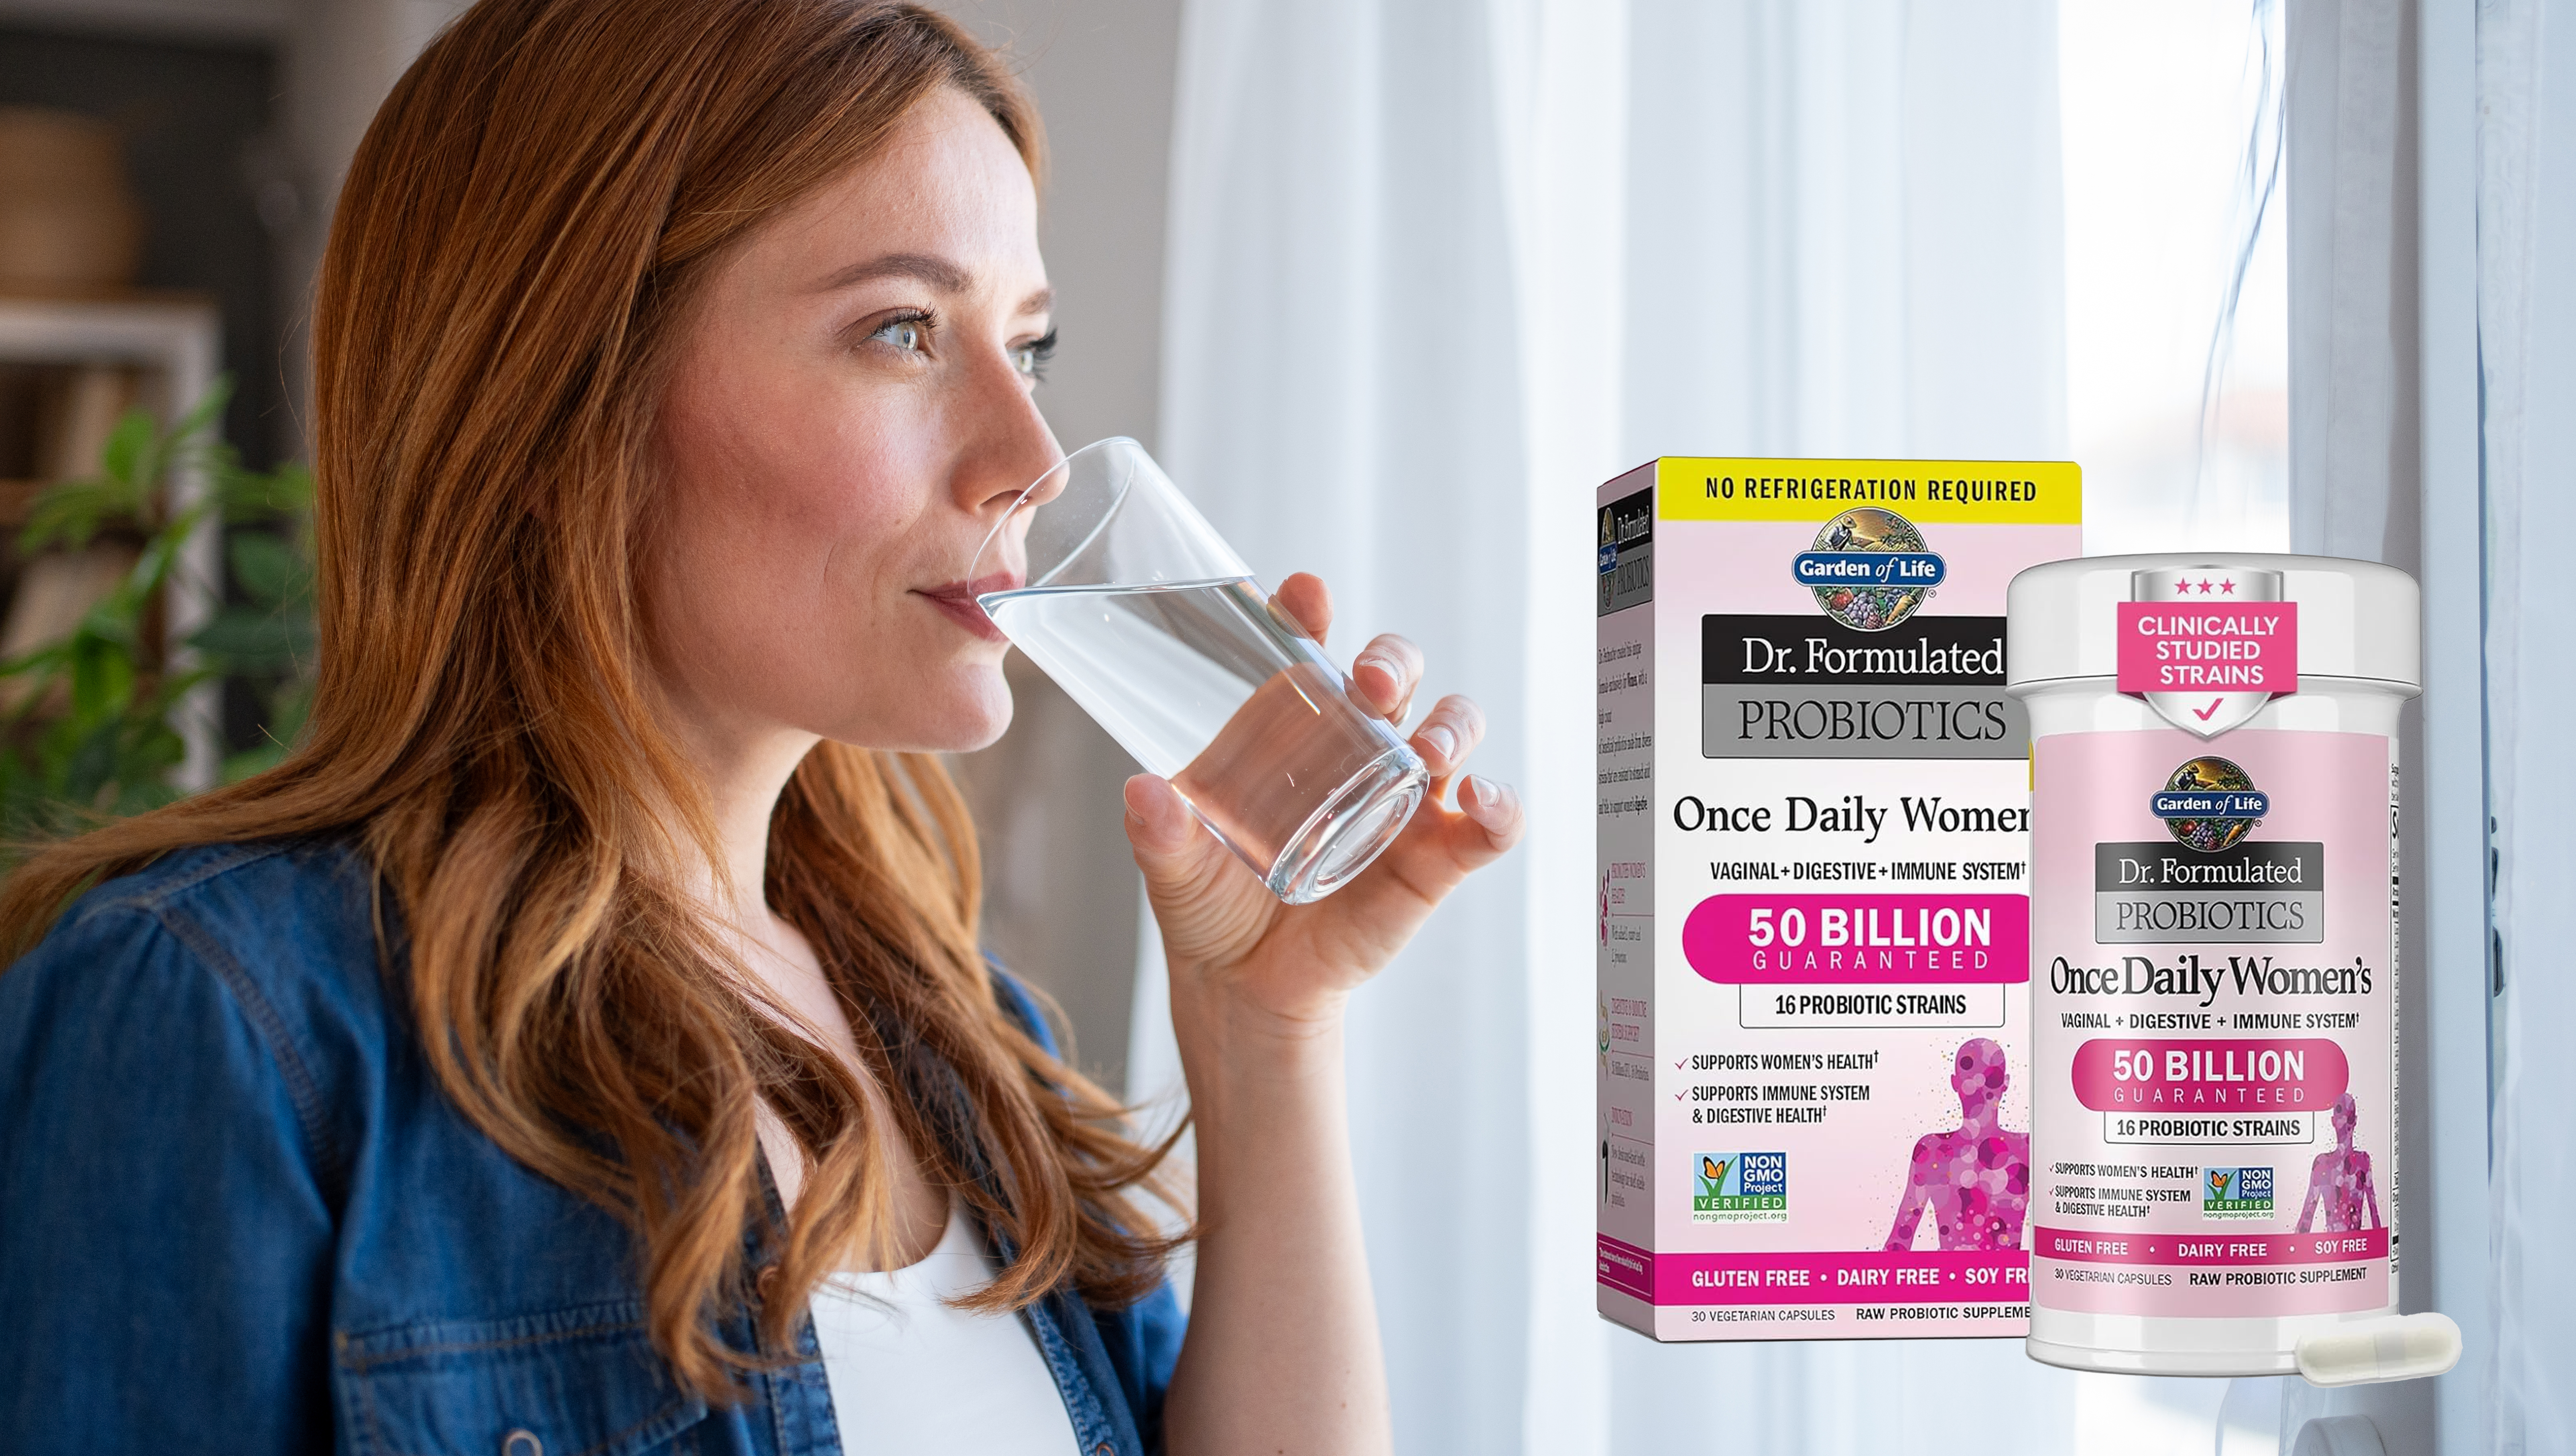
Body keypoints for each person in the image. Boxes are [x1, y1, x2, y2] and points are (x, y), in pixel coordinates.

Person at [0, 3, 1521, 1452]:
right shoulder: (217, 1017)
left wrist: (1267, 1036)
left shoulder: (973, 1039)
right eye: (903, 331)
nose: (1033, 457)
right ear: (559, 395)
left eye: (1029, 344)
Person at [1882, 1037, 2031, 1252]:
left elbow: (1897, 1247)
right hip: (1957, 1284)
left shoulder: (2027, 1150)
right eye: (1971, 1076)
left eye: (1990, 1077)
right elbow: (1897, 1247)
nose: (1979, 1084)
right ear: (1956, 1083)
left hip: (1985, 1284)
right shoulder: (1931, 1152)